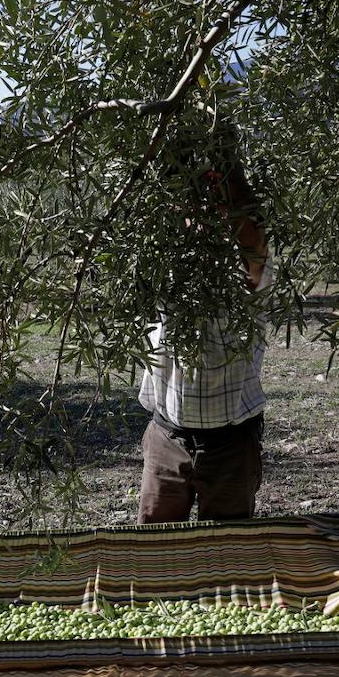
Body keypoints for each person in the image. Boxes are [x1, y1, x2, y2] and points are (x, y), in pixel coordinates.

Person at [137, 161, 270, 525]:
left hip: (230, 444)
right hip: (167, 436)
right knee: (155, 556)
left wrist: (228, 162)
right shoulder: (162, 263)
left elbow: (252, 240)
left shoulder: (246, 273)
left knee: (228, 557)